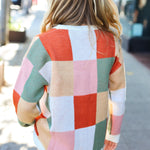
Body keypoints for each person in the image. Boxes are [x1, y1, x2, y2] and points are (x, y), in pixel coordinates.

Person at [13, 0, 126, 150]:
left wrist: (27, 121)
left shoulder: (43, 44)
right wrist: (113, 133)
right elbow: (118, 95)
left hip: (52, 142)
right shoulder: (111, 43)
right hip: (94, 141)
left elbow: (23, 103)